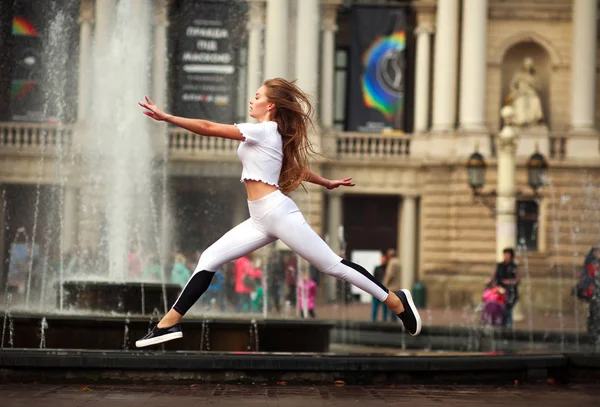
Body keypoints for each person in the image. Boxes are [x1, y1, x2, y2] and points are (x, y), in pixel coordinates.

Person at [135, 78, 421, 348]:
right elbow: (294, 168)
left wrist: (168, 117)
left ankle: (395, 301)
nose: (252, 100)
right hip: (259, 218)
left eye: (258, 96)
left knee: (331, 265)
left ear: (270, 105)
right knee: (209, 258)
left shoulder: (263, 130)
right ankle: (168, 325)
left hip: (278, 212)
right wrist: (326, 182)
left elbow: (208, 127)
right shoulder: (272, 136)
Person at [488, 248, 520, 328]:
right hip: (499, 292)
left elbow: (518, 280)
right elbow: (494, 276)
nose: (506, 256)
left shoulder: (514, 266)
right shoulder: (500, 265)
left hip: (510, 293)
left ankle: (508, 328)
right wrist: (490, 281)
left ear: (511, 256)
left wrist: (509, 282)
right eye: (505, 254)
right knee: (500, 310)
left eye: (508, 254)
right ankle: (501, 326)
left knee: (508, 310)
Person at [371, 249, 395, 322]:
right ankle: (374, 320)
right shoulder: (377, 268)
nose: (382, 260)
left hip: (384, 290)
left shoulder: (388, 268)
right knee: (375, 307)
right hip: (376, 290)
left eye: (383, 258)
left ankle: (384, 321)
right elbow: (373, 278)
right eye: (381, 258)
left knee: (385, 308)